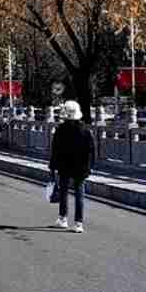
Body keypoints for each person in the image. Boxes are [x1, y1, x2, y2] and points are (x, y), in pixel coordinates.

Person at [49, 99, 94, 232]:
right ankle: (78, 223)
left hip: (64, 166)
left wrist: (52, 167)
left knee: (63, 192)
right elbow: (91, 151)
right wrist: (90, 167)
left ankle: (63, 219)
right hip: (81, 167)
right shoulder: (85, 130)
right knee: (79, 194)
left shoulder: (60, 130)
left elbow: (55, 150)